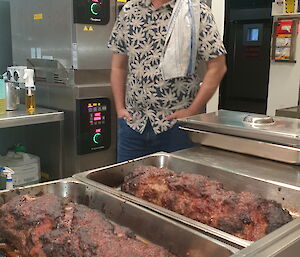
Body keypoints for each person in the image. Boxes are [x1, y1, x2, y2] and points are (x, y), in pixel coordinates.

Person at [108, 0, 227, 162]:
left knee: (179, 184)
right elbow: (118, 67)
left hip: (177, 126)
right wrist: (120, 109)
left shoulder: (196, 12)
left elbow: (218, 67)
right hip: (133, 124)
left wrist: (192, 111)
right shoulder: (130, 11)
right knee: (127, 182)